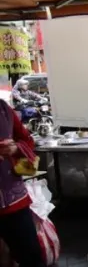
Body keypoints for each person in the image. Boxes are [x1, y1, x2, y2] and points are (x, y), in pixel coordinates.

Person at [0, 99, 45, 267]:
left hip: (14, 201)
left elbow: (27, 140)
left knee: (31, 258)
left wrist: (15, 149)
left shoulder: (4, 109)